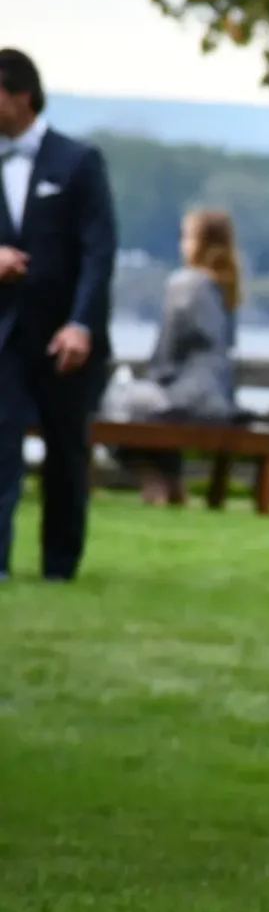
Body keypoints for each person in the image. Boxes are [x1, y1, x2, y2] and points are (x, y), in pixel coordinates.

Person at [0, 48, 117, 582]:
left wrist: (81, 324)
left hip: (63, 338)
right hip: (5, 334)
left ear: (21, 95)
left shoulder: (78, 162)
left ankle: (59, 566)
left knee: (65, 453)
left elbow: (99, 250)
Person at [107, 208, 243, 504]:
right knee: (153, 411)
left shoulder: (185, 284)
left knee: (118, 403)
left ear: (200, 243)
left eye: (187, 237)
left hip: (189, 397)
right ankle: (173, 483)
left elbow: (166, 353)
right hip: (220, 399)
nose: (183, 245)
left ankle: (156, 482)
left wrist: (155, 379)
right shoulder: (228, 288)